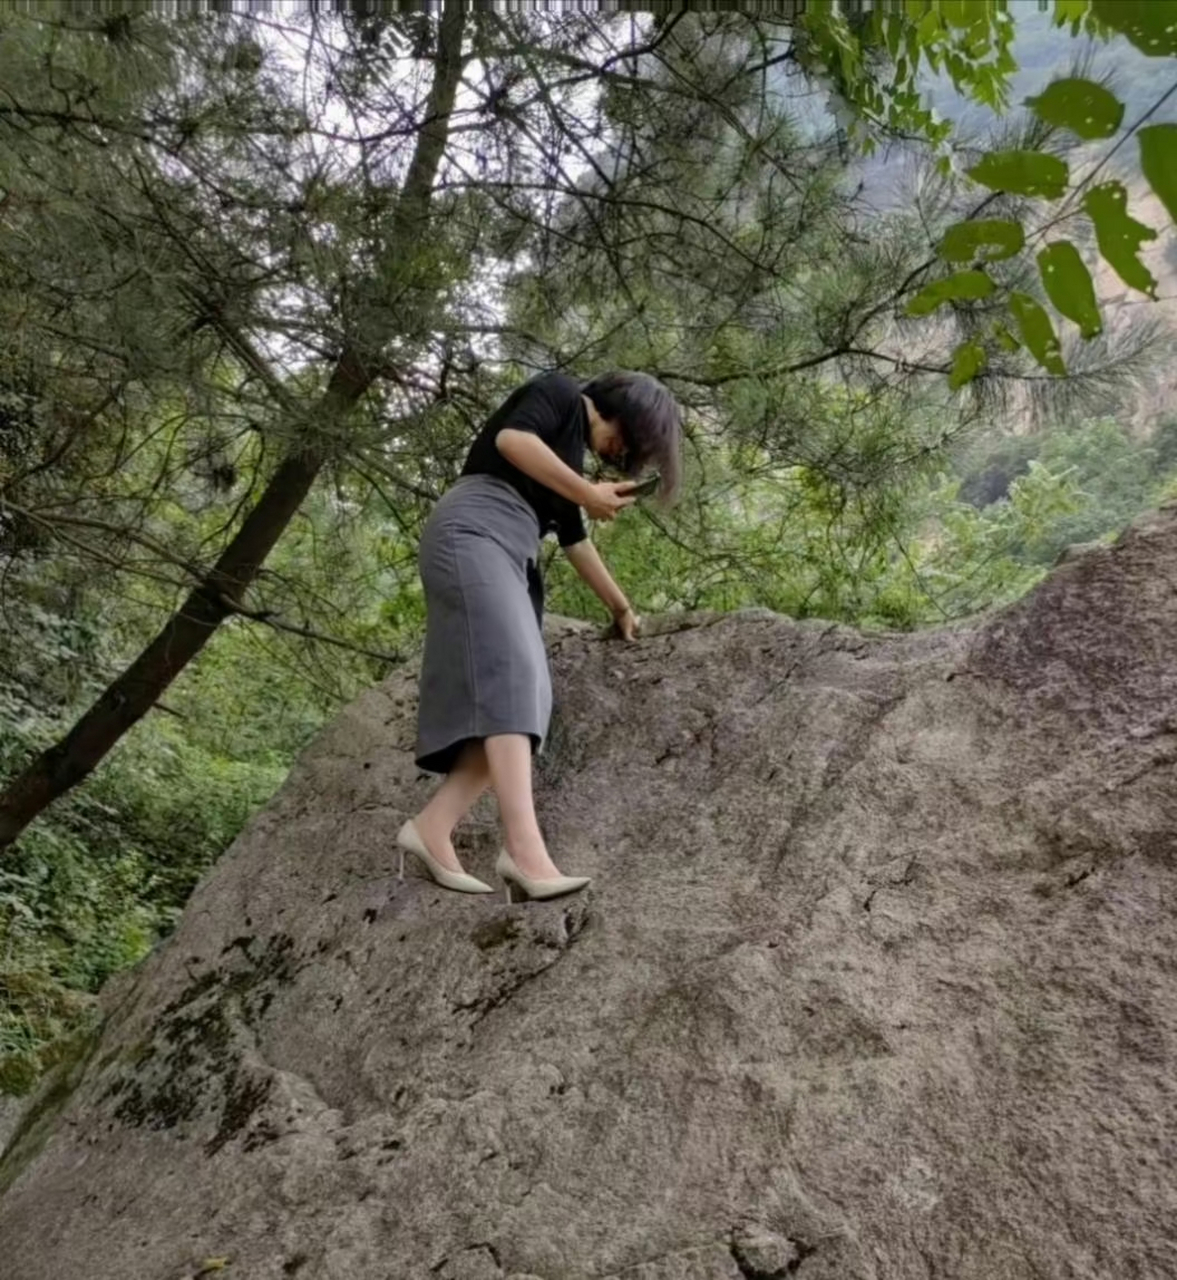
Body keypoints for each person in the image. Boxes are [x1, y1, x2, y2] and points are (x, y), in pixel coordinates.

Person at [397, 369, 683, 902]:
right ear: (621, 407)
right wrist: (584, 491)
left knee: (525, 698)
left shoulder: (566, 464)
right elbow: (512, 440)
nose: (623, 452)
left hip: (509, 551)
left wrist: (621, 607)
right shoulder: (560, 394)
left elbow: (576, 543)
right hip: (472, 532)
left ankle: (432, 828)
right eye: (632, 438)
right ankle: (525, 852)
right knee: (514, 677)